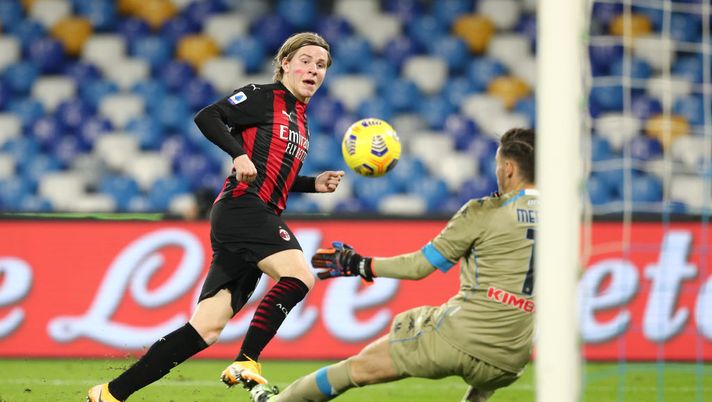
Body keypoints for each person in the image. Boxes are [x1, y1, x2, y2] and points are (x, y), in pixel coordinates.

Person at [88, 32, 344, 402]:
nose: (313, 70)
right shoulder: (263, 96)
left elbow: (274, 173)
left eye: (321, 65)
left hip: (252, 216)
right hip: (243, 208)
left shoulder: (301, 120)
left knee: (205, 328)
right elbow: (208, 116)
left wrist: (312, 183)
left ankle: (110, 394)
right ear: (285, 63)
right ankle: (247, 359)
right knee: (300, 275)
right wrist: (237, 154)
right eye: (305, 60)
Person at [249, 128, 537, 402]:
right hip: (511, 360)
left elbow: (419, 267)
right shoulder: (563, 222)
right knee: (487, 373)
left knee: (355, 369)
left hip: (458, 339)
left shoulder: (484, 212)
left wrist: (360, 265)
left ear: (509, 168)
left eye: (499, 165)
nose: (497, 172)